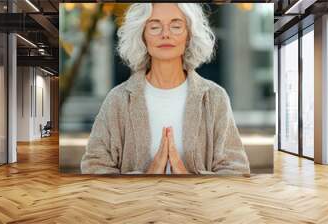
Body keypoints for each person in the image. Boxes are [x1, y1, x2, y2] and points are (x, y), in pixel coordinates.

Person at [81, 3, 251, 175]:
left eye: (176, 26)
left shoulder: (214, 97)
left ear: (189, 36)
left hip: (195, 203)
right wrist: (147, 177)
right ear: (142, 36)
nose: (166, 34)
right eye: (154, 27)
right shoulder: (118, 99)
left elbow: (236, 169)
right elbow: (94, 166)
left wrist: (188, 178)